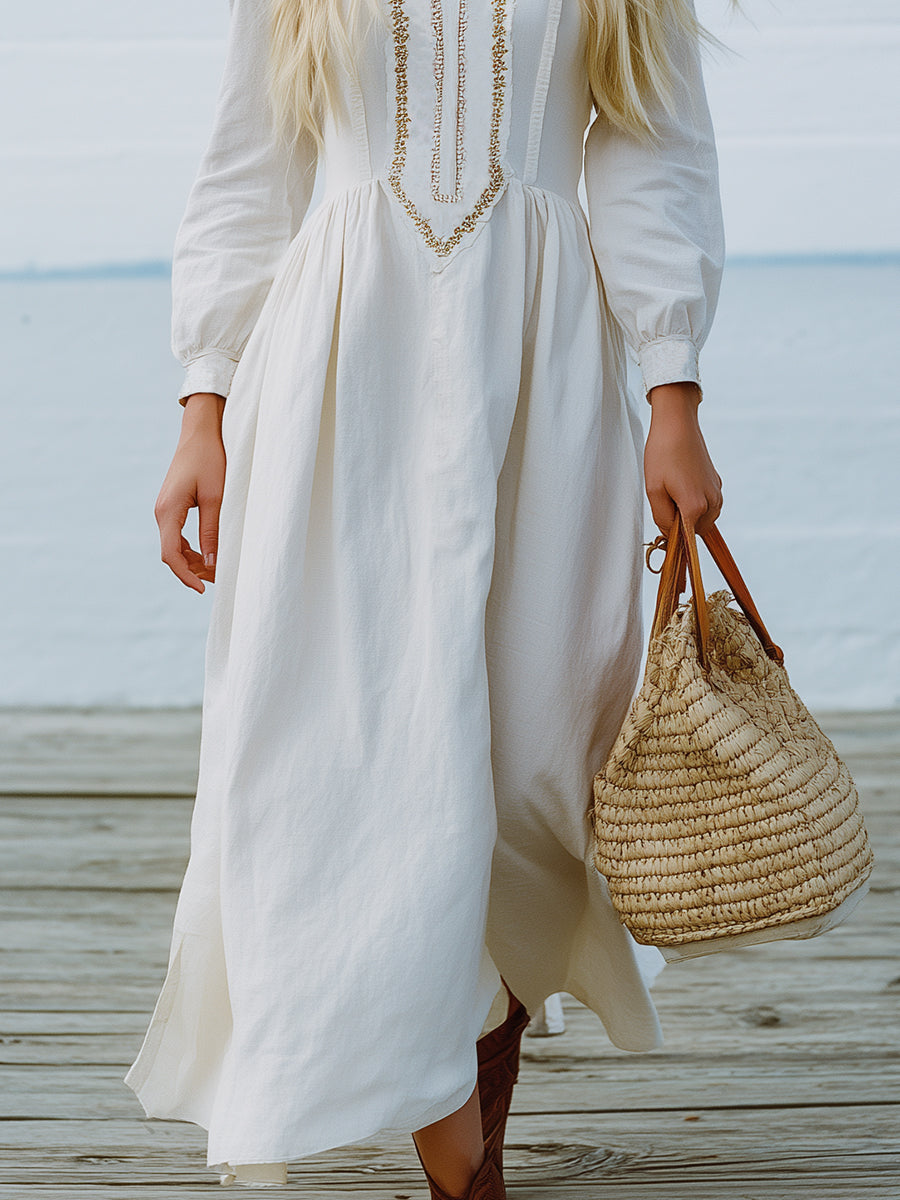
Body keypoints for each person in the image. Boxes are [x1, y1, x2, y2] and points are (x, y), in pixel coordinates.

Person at [123, 0, 727, 1195]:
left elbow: (655, 148)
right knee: (348, 755)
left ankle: (470, 1113)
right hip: (340, 376)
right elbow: (250, 162)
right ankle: (461, 1165)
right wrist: (204, 402)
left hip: (541, 382)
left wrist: (675, 391)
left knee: (530, 770)